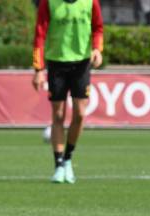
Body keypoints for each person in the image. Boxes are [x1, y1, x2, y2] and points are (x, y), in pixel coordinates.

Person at [32, 0, 104, 184]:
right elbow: (39, 34)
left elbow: (98, 27)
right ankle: (58, 165)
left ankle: (68, 158)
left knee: (80, 113)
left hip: (82, 63)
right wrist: (39, 69)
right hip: (56, 63)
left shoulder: (90, 2)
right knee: (58, 115)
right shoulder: (49, 2)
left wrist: (97, 48)